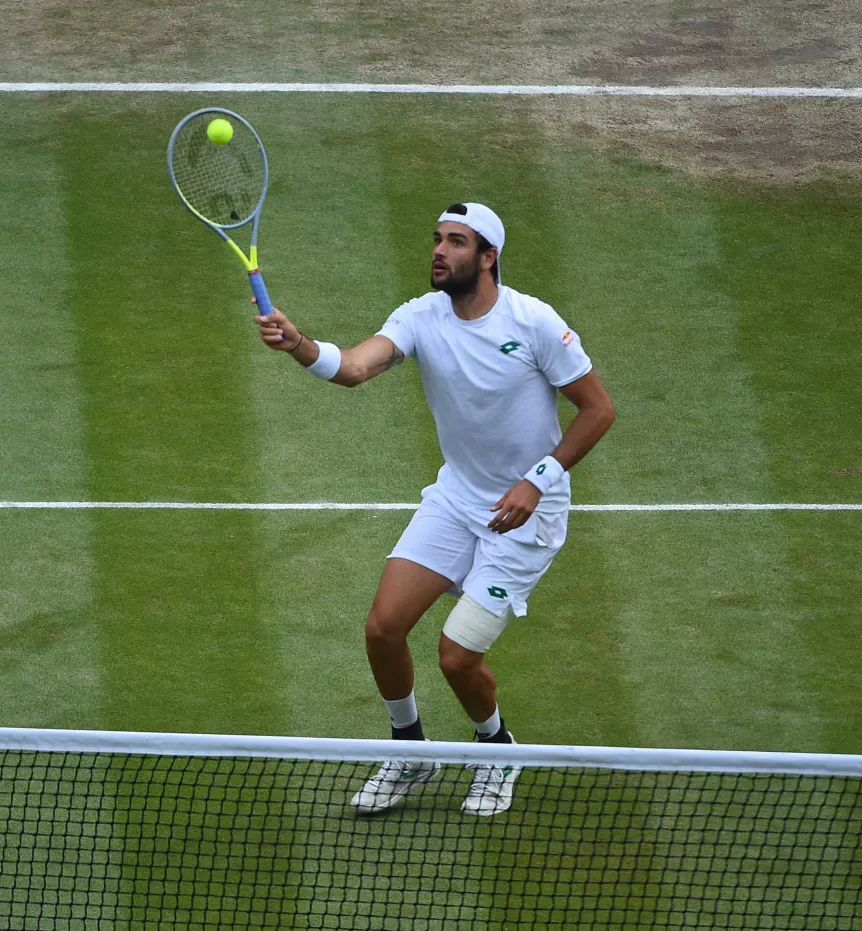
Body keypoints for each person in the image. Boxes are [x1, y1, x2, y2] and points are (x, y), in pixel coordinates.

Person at [255, 203, 615, 816]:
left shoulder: (533, 323)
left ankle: (497, 750)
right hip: (456, 500)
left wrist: (537, 481)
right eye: (437, 239)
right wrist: (299, 345)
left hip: (525, 516)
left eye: (456, 242)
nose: (439, 251)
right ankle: (411, 751)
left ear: (489, 257)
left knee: (457, 657)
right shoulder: (420, 317)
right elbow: (355, 367)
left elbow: (598, 409)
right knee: (383, 628)